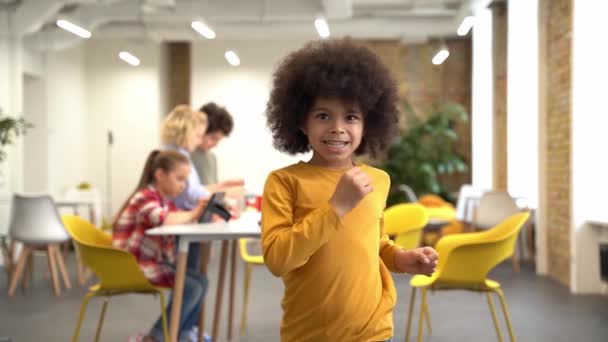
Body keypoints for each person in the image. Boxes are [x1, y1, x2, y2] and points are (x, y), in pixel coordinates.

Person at [261, 38, 439, 342]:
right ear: (301, 121)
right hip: (309, 332)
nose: (337, 127)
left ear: (367, 124)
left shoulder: (378, 180)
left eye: (351, 116)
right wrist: (336, 208)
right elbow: (278, 260)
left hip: (372, 329)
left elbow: (375, 244)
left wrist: (402, 259)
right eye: (323, 115)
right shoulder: (284, 182)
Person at [112, 150, 208, 342]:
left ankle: (178, 335)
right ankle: (156, 337)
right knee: (191, 286)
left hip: (150, 262)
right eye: (179, 179)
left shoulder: (163, 200)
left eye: (185, 180)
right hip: (133, 265)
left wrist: (201, 214)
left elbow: (179, 218)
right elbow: (163, 219)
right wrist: (196, 212)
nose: (183, 186)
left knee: (201, 282)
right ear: (160, 174)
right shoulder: (145, 197)